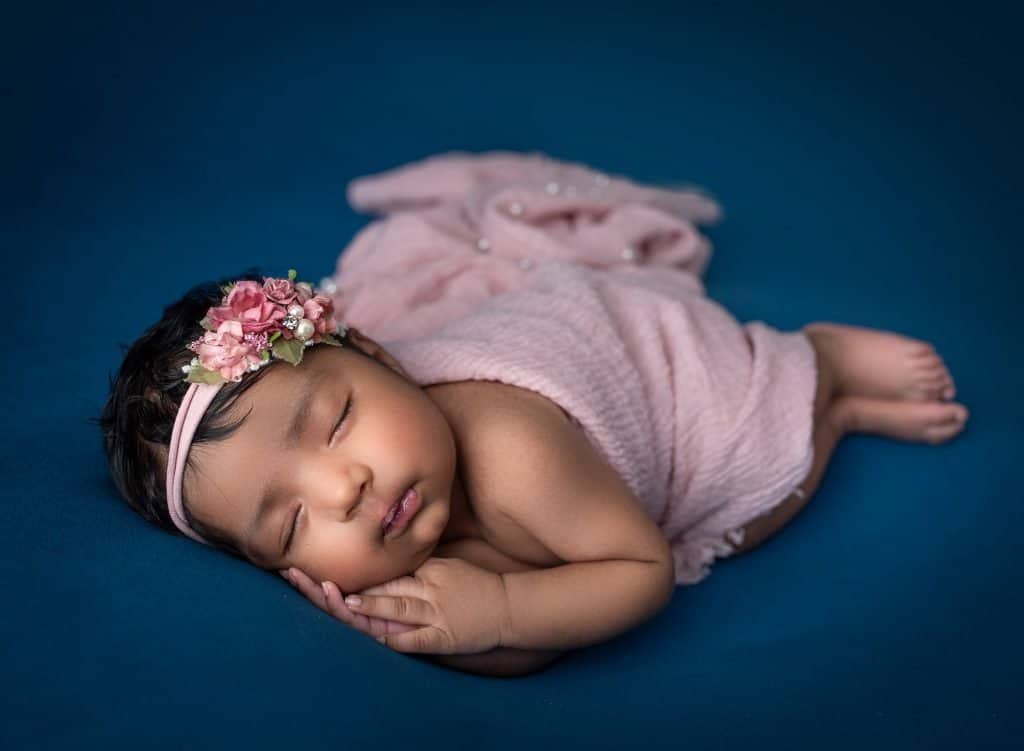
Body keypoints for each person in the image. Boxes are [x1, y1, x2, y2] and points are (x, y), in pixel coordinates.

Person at [98, 151, 969, 677]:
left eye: (335, 423)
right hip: (569, 484)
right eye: (289, 524)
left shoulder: (512, 452)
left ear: (384, 357)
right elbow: (522, 641)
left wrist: (502, 611)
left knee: (767, 485)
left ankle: (826, 375)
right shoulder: (385, 547)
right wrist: (462, 625)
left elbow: (639, 569)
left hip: (662, 373)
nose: (345, 489)